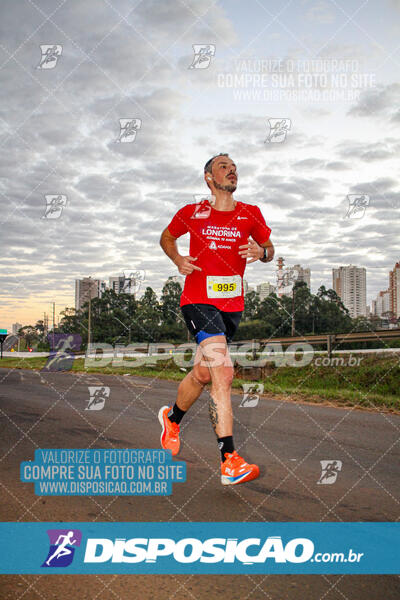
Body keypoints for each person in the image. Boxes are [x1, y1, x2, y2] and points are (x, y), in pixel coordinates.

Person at [159, 153, 274, 485]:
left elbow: (270, 249)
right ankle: (229, 460)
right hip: (198, 301)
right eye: (224, 166)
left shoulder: (250, 214)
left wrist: (262, 253)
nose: (232, 170)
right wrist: (178, 259)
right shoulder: (193, 212)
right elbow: (167, 237)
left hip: (232, 307)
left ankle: (172, 418)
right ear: (208, 177)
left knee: (202, 374)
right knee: (223, 370)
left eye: (234, 167)